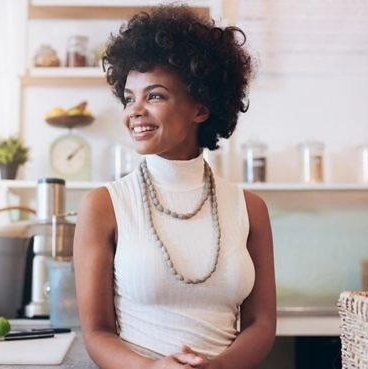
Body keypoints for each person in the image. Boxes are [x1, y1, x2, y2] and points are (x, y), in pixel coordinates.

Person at [73, 4, 276, 369]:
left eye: (154, 96)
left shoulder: (250, 208)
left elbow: (261, 325)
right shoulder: (104, 206)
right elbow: (96, 332)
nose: (135, 111)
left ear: (201, 108)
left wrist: (214, 367)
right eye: (129, 97)